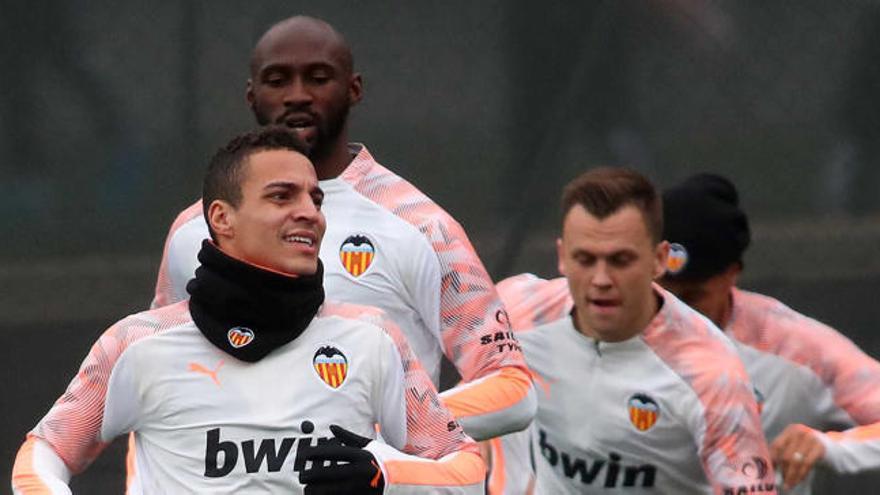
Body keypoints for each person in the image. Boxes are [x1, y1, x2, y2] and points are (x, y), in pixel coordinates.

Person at [11, 128, 485, 494]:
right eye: (282, 196)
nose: (310, 212)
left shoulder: (371, 337)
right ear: (221, 218)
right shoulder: (136, 344)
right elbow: (43, 453)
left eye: (315, 198)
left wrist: (389, 477)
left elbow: (466, 470)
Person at [152, 15, 535, 442]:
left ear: (353, 90)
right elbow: (154, 375)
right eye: (277, 80)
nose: (297, 95)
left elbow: (510, 387)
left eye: (318, 78)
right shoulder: (196, 228)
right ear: (251, 95)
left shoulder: (421, 226)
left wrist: (384, 426)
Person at [496, 172, 880, 494]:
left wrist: (830, 447)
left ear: (732, 274)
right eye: (665, 291)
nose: (676, 308)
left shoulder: (791, 352)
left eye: (695, 295)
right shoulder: (525, 314)